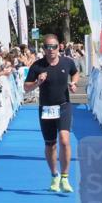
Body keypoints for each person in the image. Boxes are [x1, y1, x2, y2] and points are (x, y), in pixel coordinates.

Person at [23, 34, 79, 192]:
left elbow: (75, 73)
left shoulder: (67, 62)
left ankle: (65, 177)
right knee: (50, 144)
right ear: (44, 49)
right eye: (47, 47)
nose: (51, 50)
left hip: (64, 106)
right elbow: (26, 87)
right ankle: (54, 175)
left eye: (54, 46)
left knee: (64, 139)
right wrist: (37, 82)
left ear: (59, 47)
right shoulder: (37, 66)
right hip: (46, 109)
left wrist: (74, 83)